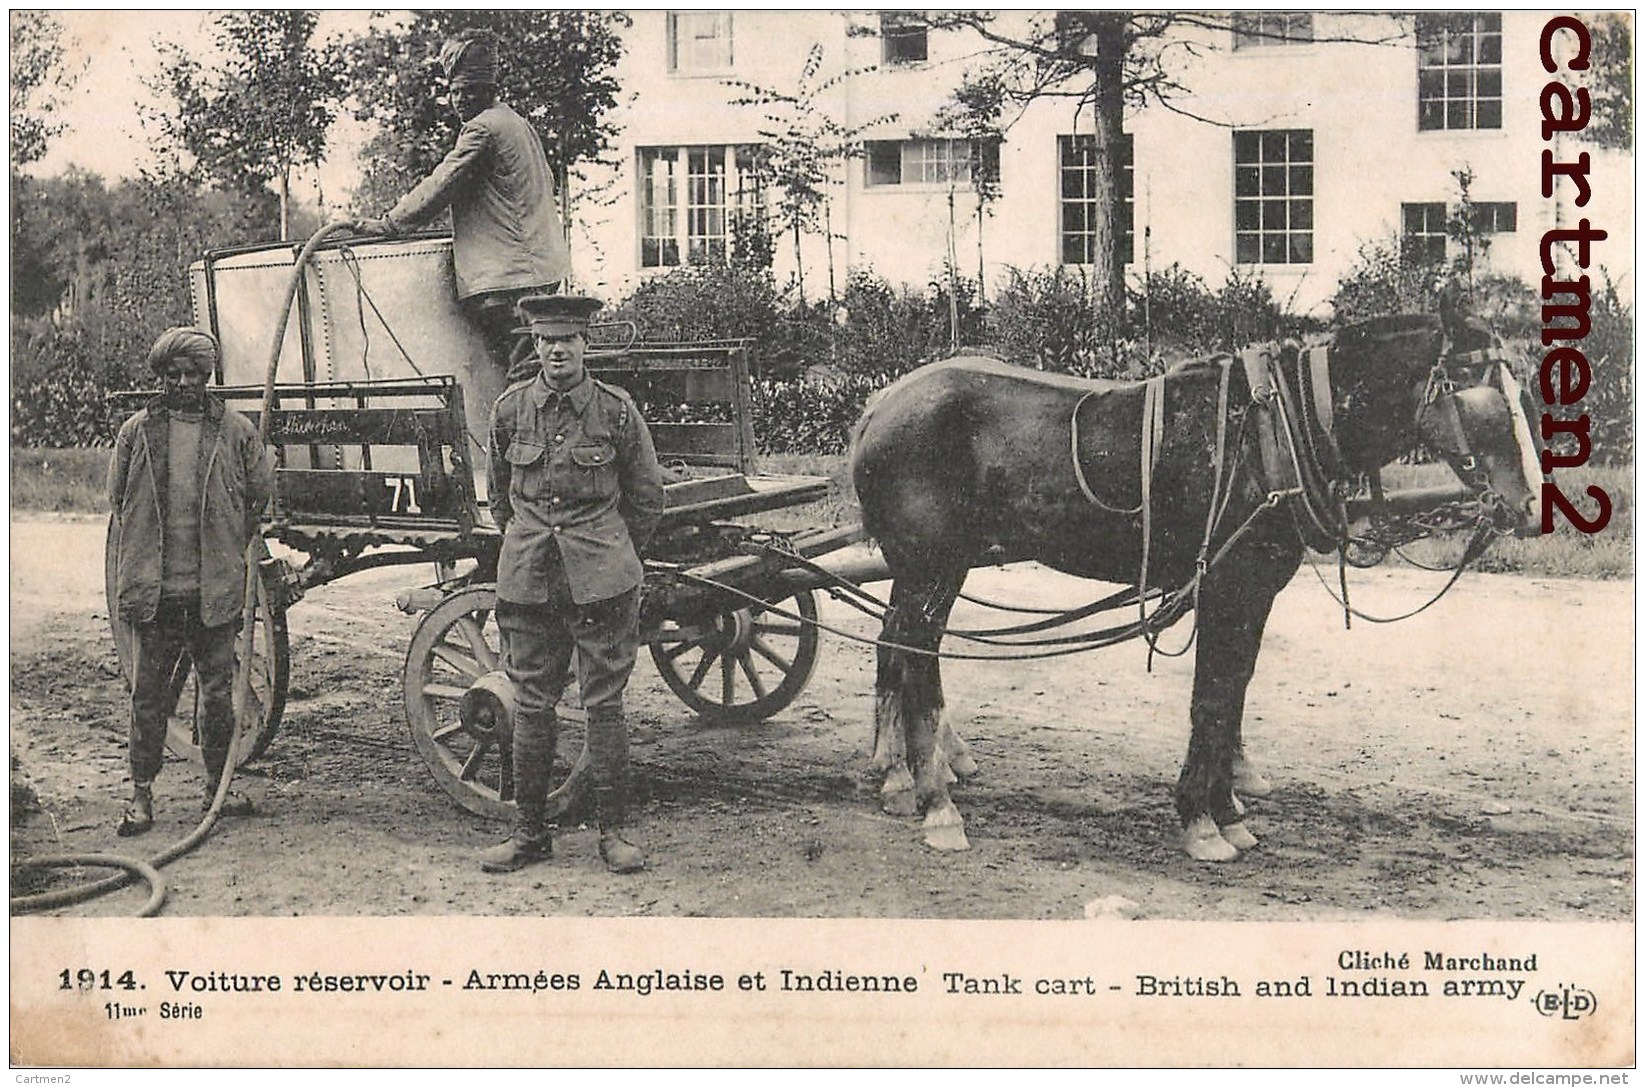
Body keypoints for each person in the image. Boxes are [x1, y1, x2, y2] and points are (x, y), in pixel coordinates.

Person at [481, 294, 666, 874]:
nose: (556, 351)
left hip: (602, 585)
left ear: (585, 345)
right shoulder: (511, 411)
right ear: (534, 346)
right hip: (531, 582)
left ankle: (615, 835)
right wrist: (533, 546)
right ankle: (530, 833)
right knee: (533, 707)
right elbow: (500, 498)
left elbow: (646, 499)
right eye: (545, 341)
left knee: (603, 706)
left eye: (567, 341)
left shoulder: (614, 411)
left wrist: (606, 553)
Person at [107, 327, 276, 836]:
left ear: (208, 377)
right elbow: (117, 498)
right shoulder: (136, 433)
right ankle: (141, 797)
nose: (184, 383)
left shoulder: (236, 432)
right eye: (174, 375)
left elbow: (258, 496)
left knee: (218, 697)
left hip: (213, 594)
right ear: (161, 377)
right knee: (148, 697)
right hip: (156, 595)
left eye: (194, 375)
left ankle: (216, 789)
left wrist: (228, 542)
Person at [357, 28, 571, 380]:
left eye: (469, 92)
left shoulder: (483, 129)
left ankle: (518, 436)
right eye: (455, 92)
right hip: (538, 272)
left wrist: (389, 225)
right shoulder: (516, 123)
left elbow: (442, 185)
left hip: (509, 281)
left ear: (489, 91)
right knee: (531, 373)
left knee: (523, 377)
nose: (460, 101)